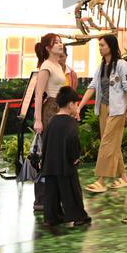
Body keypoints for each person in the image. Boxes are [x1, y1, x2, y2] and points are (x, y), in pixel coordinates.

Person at [76, 34, 127, 193]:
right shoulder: (102, 66)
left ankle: (101, 181)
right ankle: (124, 178)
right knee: (112, 144)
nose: (100, 48)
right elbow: (92, 87)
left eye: (102, 45)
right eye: (99, 45)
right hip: (103, 108)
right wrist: (79, 107)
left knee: (107, 143)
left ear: (111, 46)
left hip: (118, 110)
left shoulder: (122, 65)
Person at [40, 86, 90, 228]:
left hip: (50, 163)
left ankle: (52, 217)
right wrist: (75, 157)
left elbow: (46, 141)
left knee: (51, 193)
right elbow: (73, 141)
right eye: (76, 104)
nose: (77, 107)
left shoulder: (51, 121)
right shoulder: (71, 123)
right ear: (70, 105)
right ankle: (78, 216)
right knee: (71, 190)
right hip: (65, 164)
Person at [32, 33, 68, 211]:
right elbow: (39, 94)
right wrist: (38, 119)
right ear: (47, 48)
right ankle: (41, 199)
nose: (60, 45)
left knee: (56, 156)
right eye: (56, 43)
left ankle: (53, 197)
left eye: (61, 42)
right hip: (51, 110)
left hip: (60, 109)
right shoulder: (46, 66)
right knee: (47, 156)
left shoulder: (57, 64)